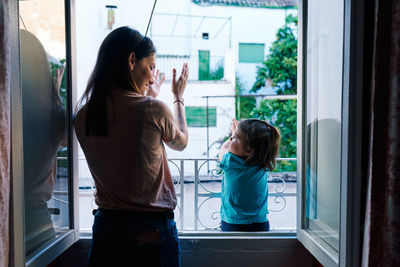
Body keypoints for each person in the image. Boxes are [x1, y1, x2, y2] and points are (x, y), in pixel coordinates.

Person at [74, 27, 189, 267]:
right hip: (149, 232)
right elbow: (181, 143)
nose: (151, 76)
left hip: (107, 230)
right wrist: (177, 98)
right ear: (132, 60)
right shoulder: (154, 109)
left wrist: (147, 95)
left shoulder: (84, 115)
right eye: (151, 66)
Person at [218, 118, 281, 232]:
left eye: (236, 138)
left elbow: (223, 150)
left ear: (248, 151)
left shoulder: (230, 162)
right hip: (260, 223)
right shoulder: (263, 163)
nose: (232, 138)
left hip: (233, 223)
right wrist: (236, 134)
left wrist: (229, 137)